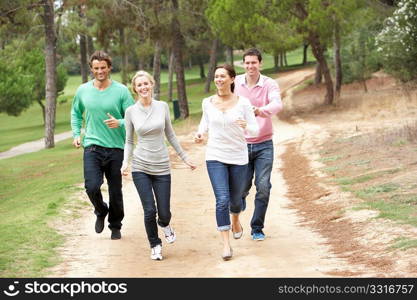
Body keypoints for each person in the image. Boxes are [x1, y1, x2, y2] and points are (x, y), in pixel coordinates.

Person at [121, 70, 196, 261]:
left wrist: (185, 157)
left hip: (162, 165)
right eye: (139, 85)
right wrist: (125, 163)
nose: (143, 87)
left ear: (152, 84)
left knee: (164, 213)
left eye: (146, 83)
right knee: (149, 210)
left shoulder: (162, 106)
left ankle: (165, 224)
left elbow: (170, 135)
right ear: (135, 89)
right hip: (140, 166)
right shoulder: (130, 112)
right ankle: (155, 244)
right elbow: (129, 141)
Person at [194, 64, 259, 260]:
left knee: (235, 199)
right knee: (222, 199)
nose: (219, 80)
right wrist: (199, 134)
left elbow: (255, 130)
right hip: (215, 156)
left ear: (232, 79)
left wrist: (247, 126)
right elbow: (204, 124)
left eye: (223, 76)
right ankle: (226, 244)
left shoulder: (243, 103)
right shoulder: (207, 102)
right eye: (216, 76)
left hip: (238, 157)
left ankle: (236, 219)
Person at [71, 50, 135, 240]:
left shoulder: (121, 91)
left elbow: (133, 116)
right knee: (91, 186)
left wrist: (120, 122)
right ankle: (100, 210)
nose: (100, 71)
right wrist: (76, 134)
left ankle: (115, 225)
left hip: (116, 147)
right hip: (92, 146)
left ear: (109, 68)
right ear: (91, 69)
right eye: (96, 68)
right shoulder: (83, 90)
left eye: (103, 68)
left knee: (115, 191)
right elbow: (76, 113)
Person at [234, 48, 283, 241]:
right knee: (242, 186)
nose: (250, 66)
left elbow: (277, 104)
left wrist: (259, 111)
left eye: (254, 62)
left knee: (263, 186)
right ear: (243, 64)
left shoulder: (269, 84)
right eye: (247, 63)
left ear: (260, 64)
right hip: (241, 144)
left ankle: (257, 228)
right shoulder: (236, 82)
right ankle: (241, 199)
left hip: (264, 144)